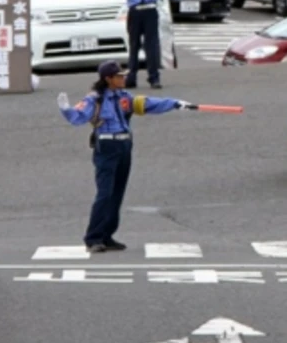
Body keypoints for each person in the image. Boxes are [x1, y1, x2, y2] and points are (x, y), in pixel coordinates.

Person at [57, 60, 194, 253]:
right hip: (106, 145)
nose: (124, 78)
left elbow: (147, 104)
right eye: (119, 76)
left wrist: (174, 103)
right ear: (108, 79)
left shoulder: (124, 97)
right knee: (104, 193)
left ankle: (107, 235)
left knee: (117, 194)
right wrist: (65, 109)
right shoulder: (94, 99)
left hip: (124, 144)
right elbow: (78, 118)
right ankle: (93, 238)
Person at [77, 0, 199, 89]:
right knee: (133, 46)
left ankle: (154, 78)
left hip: (150, 12)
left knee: (151, 47)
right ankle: (131, 78)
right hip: (134, 13)